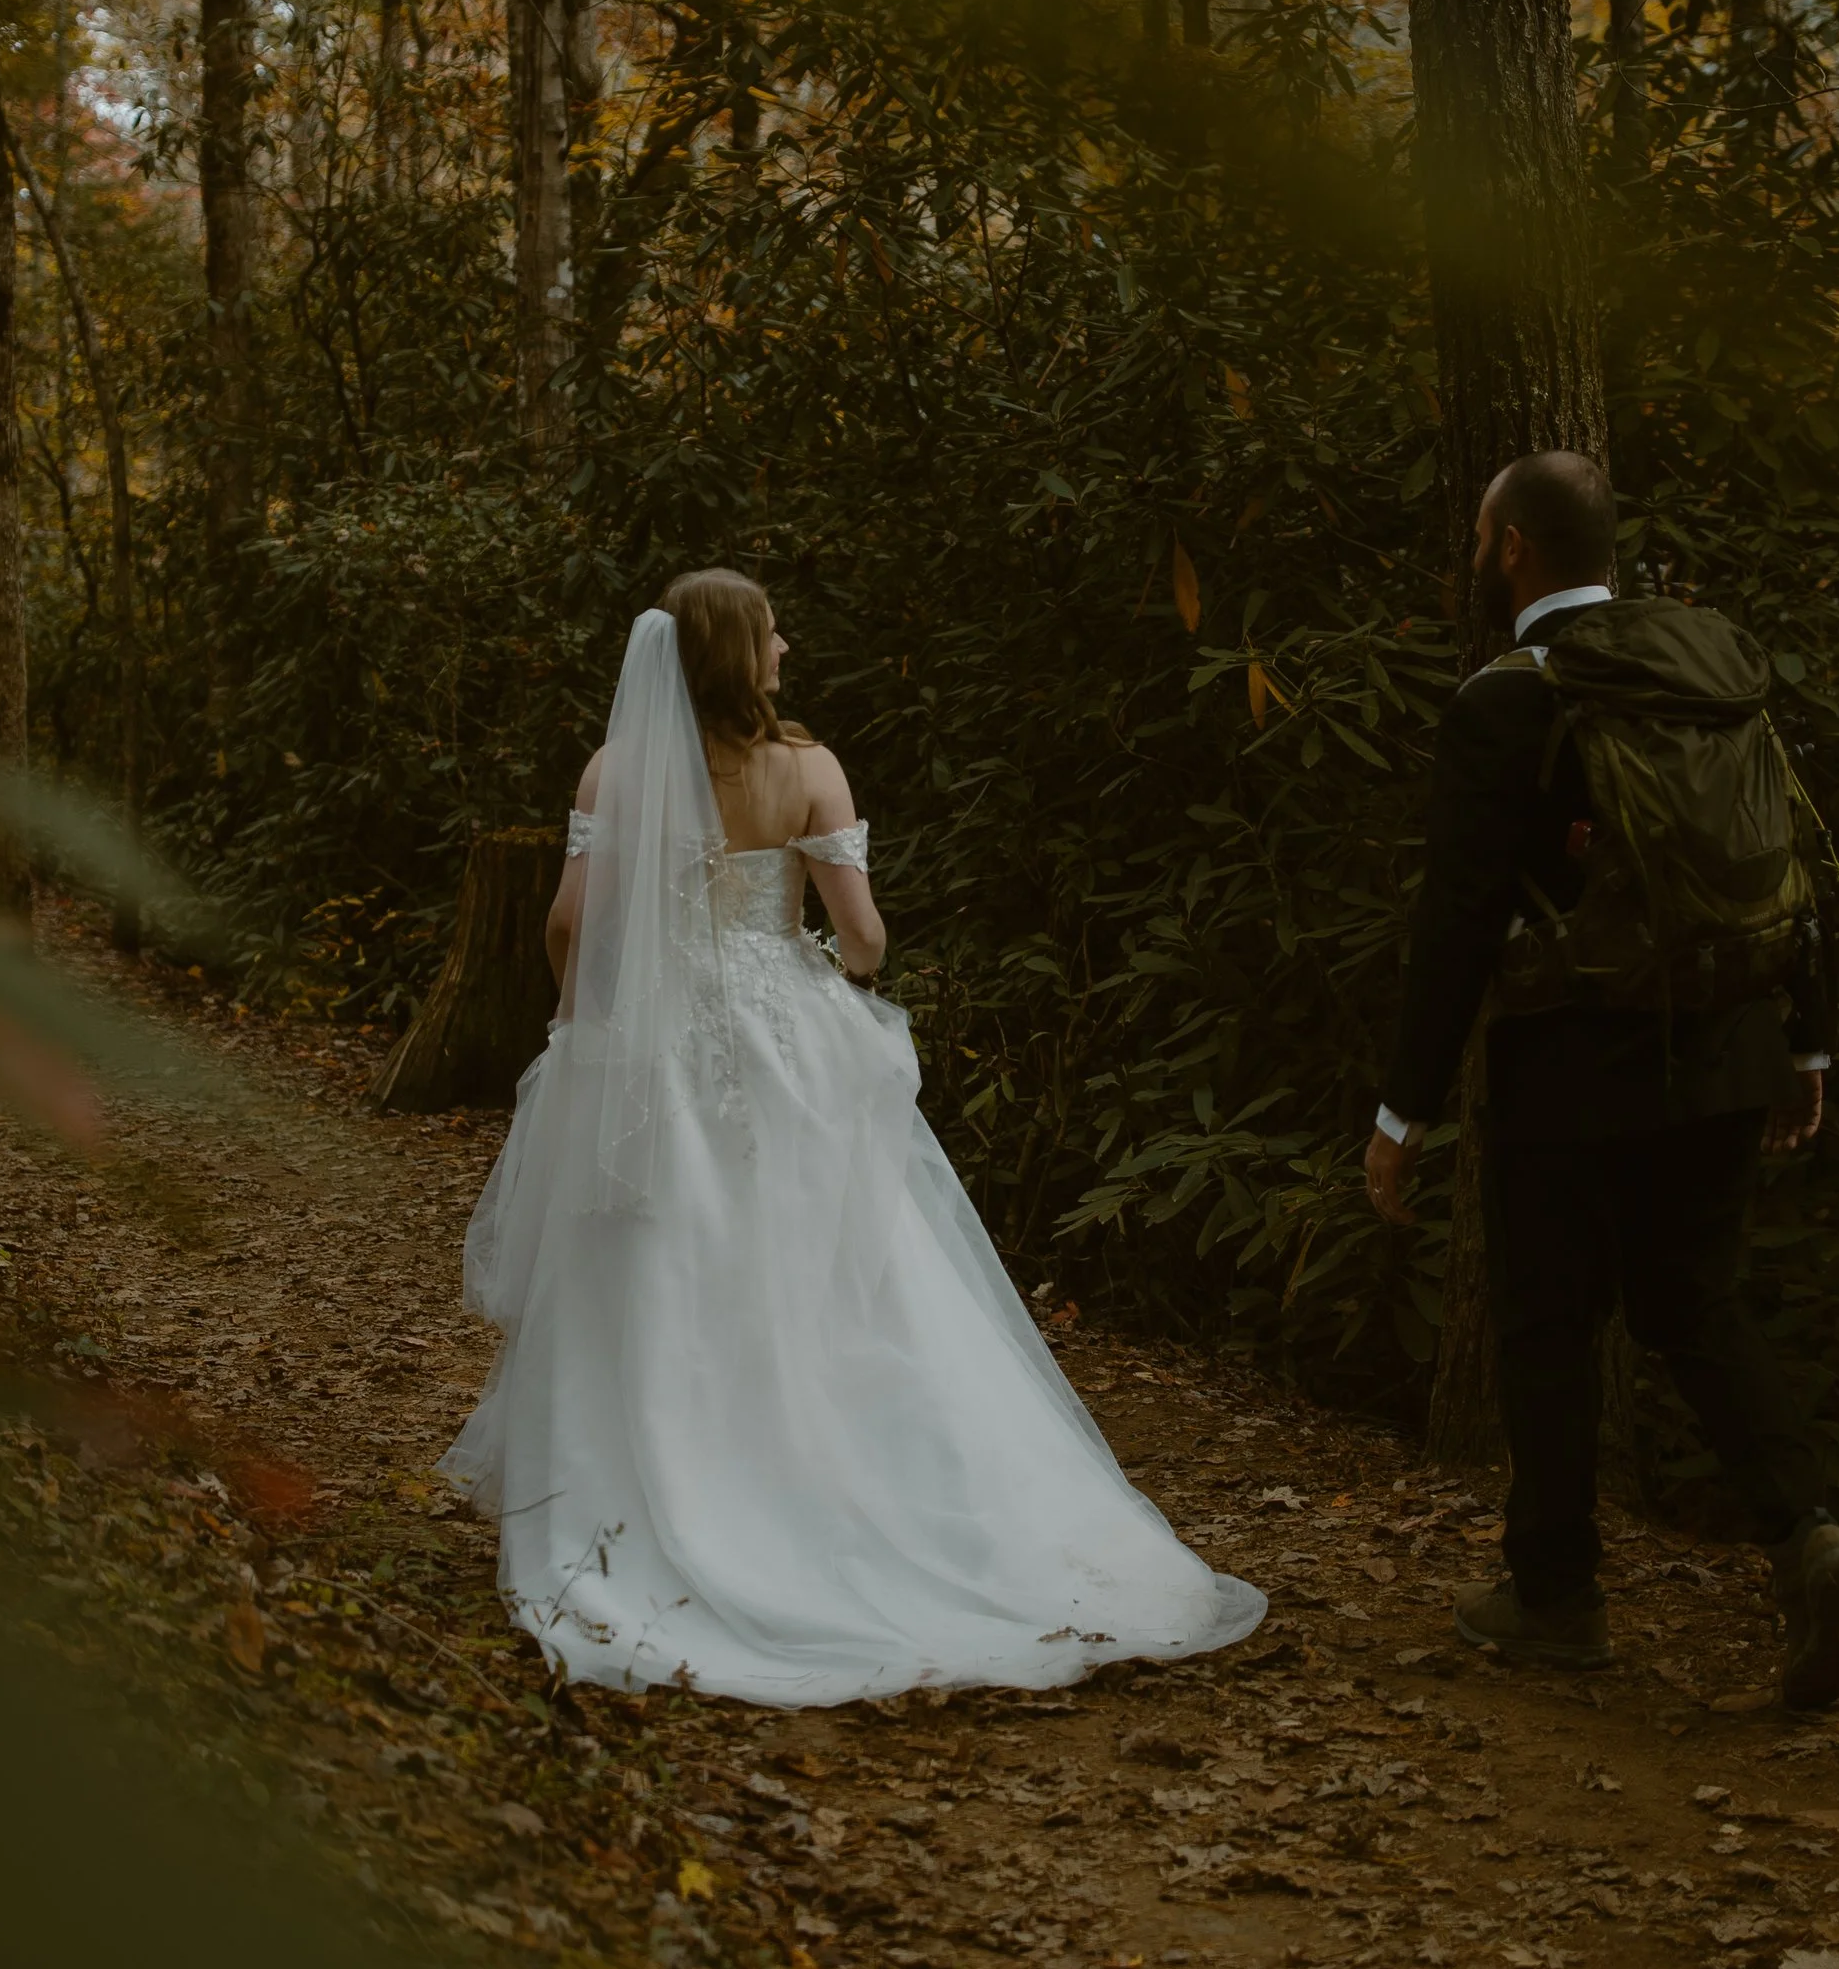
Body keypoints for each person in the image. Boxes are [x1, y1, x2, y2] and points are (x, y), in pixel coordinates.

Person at [442, 570, 1264, 1705]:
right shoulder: (811, 770)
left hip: (655, 1053)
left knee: (659, 1266)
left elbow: (569, 919)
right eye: (772, 630)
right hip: (783, 1050)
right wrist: (829, 971)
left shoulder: (613, 770)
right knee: (829, 1273)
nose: (786, 644)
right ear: (739, 652)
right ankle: (839, 1488)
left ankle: (655, 1498)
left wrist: (586, 1019)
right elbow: (864, 936)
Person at [1366, 451, 1839, 1709]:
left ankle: (1555, 1597)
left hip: (1571, 1064)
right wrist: (1807, 1045)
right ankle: (1808, 1534)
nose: (1476, 553)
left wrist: (1402, 1112)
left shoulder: (1505, 701)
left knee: (1545, 1324)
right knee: (1693, 1305)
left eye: (1480, 534)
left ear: (1511, 549)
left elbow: (1457, 922)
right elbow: (1792, 855)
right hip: (1727, 1046)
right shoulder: (1707, 667)